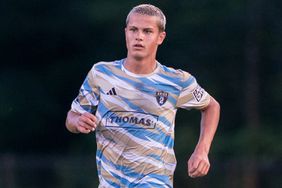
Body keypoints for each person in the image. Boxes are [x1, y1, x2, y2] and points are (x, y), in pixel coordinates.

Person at [65, 4, 220, 188]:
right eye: (133, 30)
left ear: (160, 37)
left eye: (147, 31)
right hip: (111, 182)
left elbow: (211, 106)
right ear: (126, 33)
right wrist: (77, 121)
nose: (139, 36)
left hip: (155, 180)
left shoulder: (176, 81)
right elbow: (72, 117)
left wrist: (202, 150)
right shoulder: (101, 74)